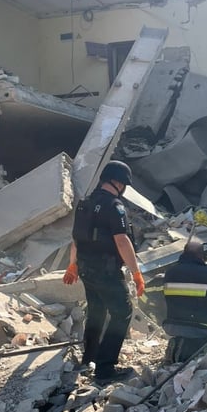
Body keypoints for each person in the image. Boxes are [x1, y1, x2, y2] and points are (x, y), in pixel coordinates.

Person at [63, 160, 145, 384]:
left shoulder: (85, 204)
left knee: (96, 311)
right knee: (122, 312)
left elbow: (76, 239)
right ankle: (105, 368)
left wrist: (73, 265)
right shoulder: (114, 206)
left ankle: (88, 358)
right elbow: (122, 241)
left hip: (86, 269)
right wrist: (136, 273)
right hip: (106, 271)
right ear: (119, 183)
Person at [162, 238, 207, 362]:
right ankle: (187, 350)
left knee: (194, 333)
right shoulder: (205, 272)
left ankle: (179, 344)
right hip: (200, 326)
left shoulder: (170, 272)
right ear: (201, 255)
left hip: (173, 324)